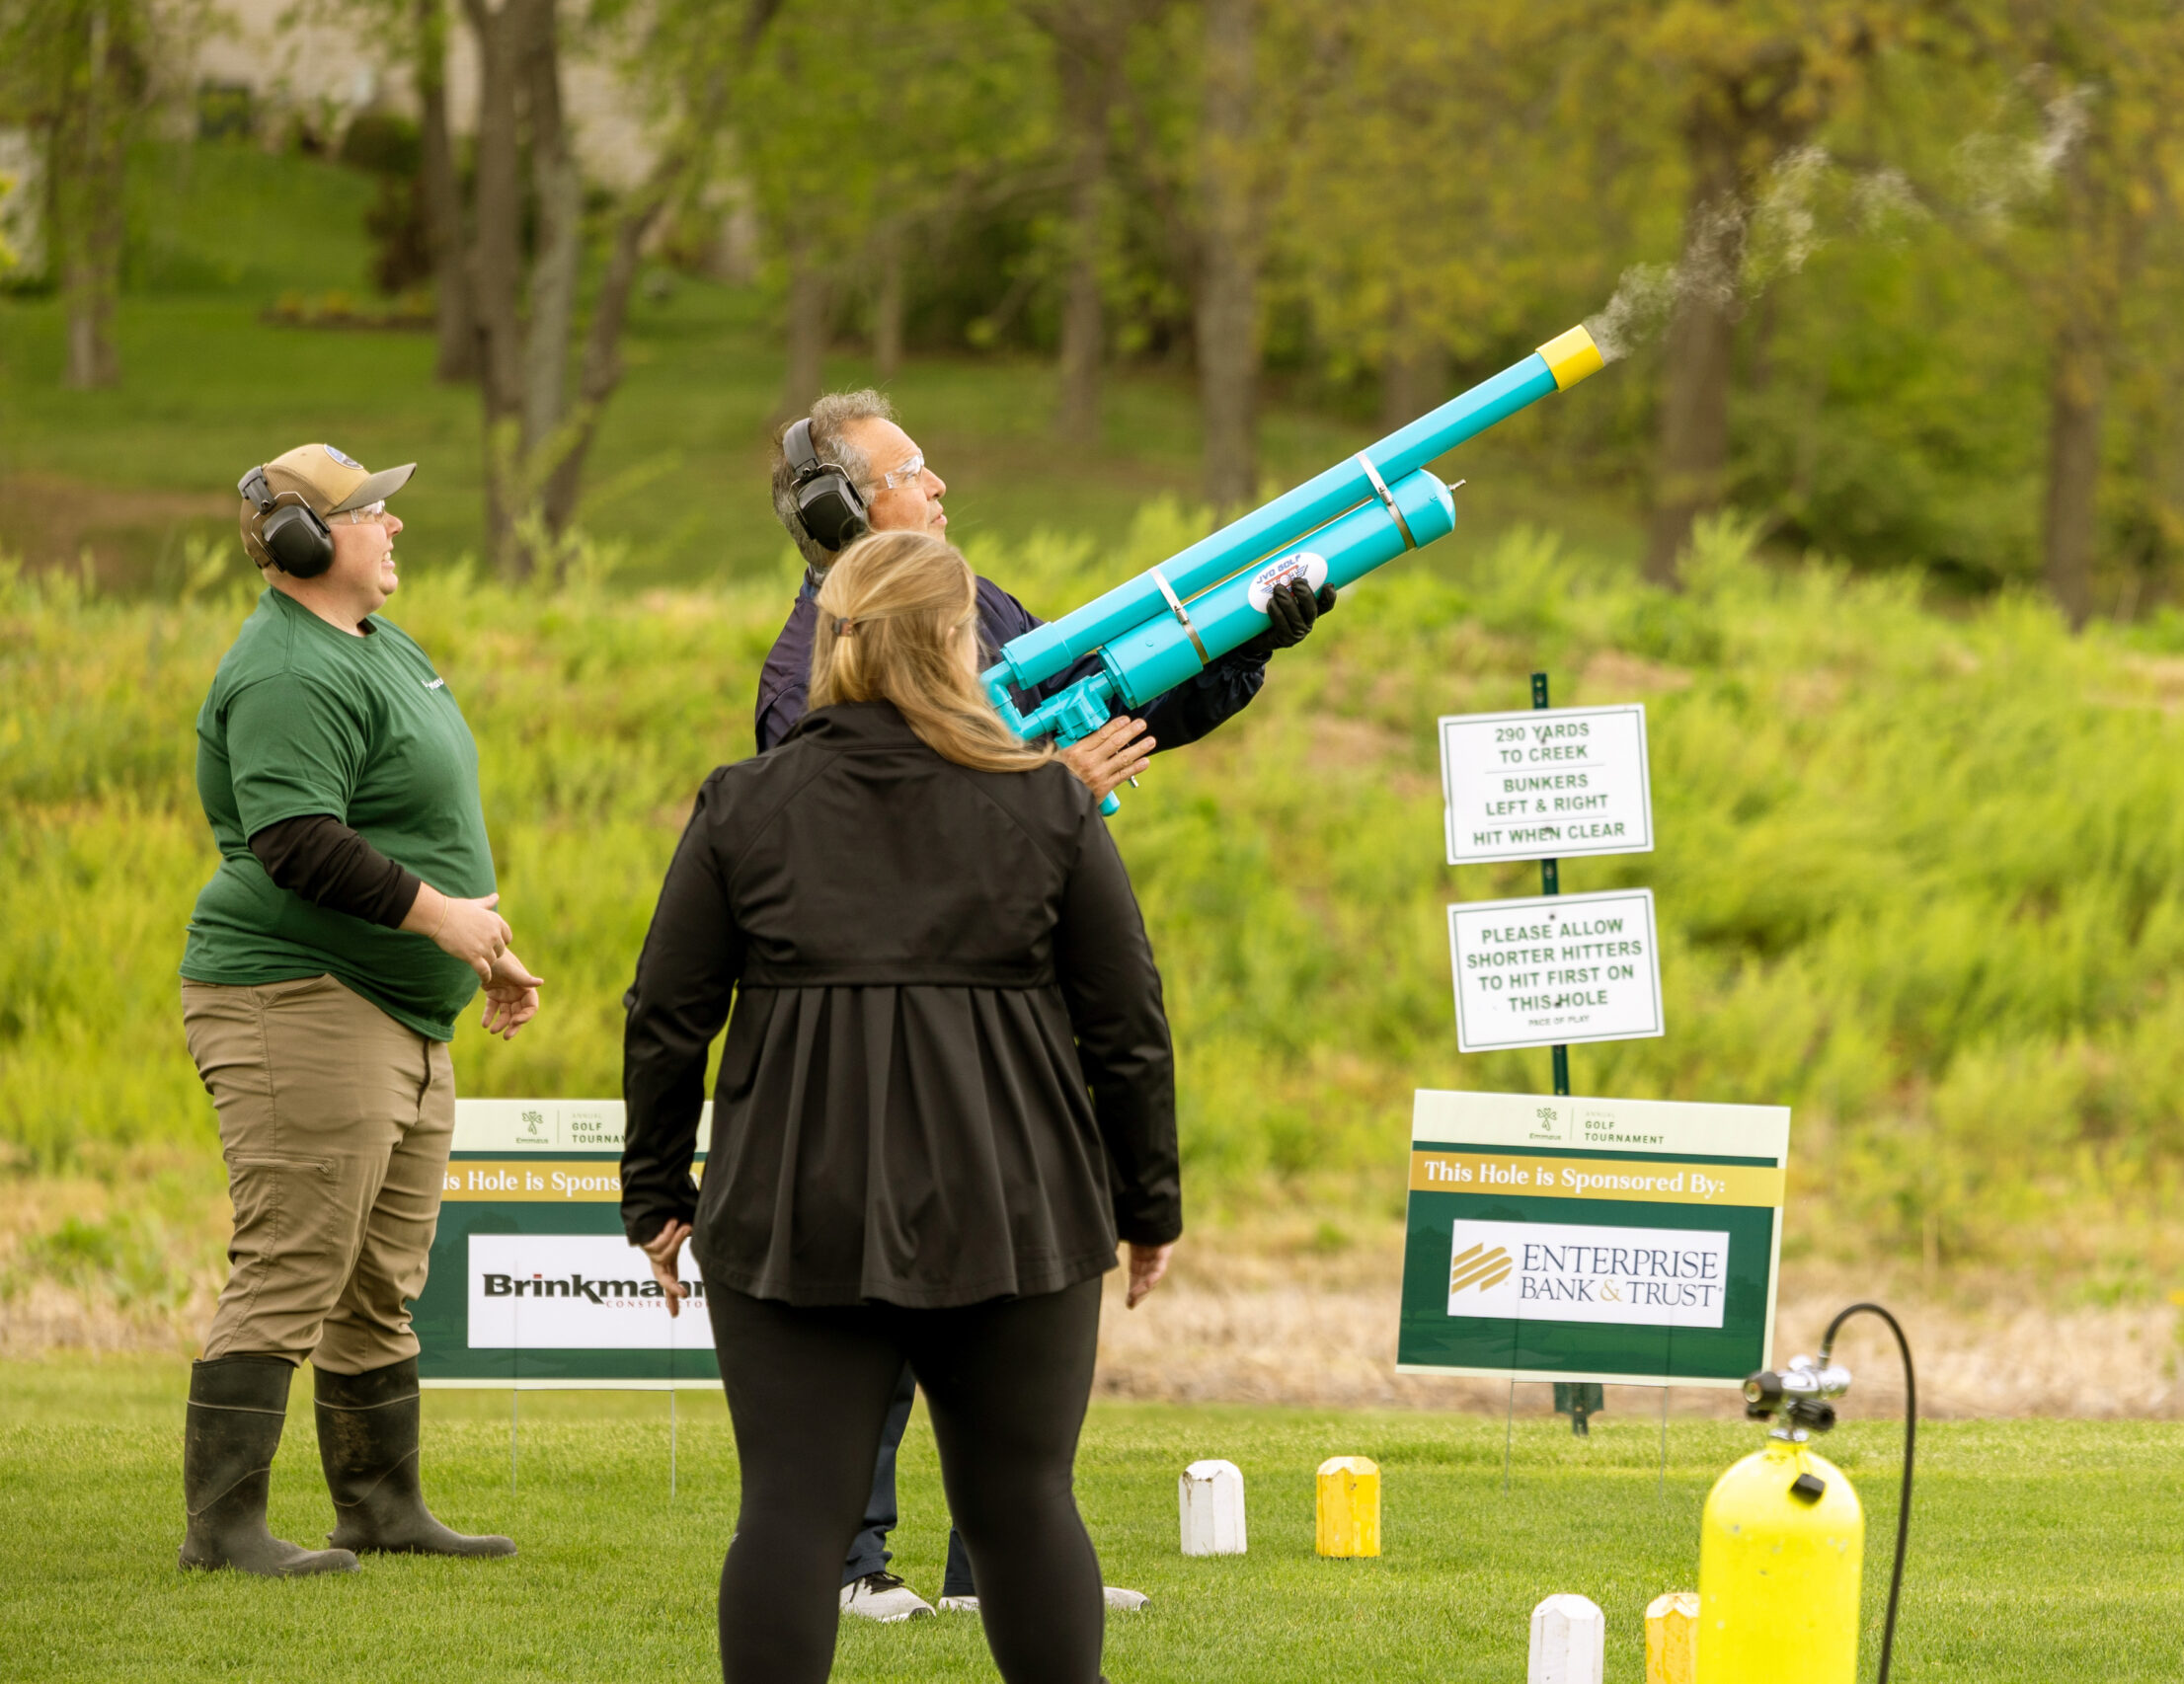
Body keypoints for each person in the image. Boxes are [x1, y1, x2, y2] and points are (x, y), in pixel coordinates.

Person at [758, 390, 1327, 1618]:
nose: (941, 483)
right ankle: (859, 1565)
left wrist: (1254, 636)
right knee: (884, 1290)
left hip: (1014, 1006)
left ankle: (989, 1568)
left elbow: (1135, 702)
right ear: (842, 509)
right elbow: (853, 851)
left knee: (999, 1289)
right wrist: (1040, 792)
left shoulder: (986, 612)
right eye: (913, 471)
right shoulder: (803, 667)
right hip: (891, 1030)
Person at [620, 530, 1179, 1684]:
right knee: (1024, 1502)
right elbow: (1124, 1021)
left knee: (788, 1508)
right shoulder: (1048, 807)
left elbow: (667, 1015)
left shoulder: (743, 804)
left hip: (790, 1207)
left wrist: (657, 1196)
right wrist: (1147, 1205)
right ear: (956, 639)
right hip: (1014, 1201)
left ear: (835, 640)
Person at [178, 443, 542, 1576]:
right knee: (294, 1259)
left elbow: (409, 821)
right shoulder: (288, 670)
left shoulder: (377, 645)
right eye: (372, 511)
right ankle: (224, 1529)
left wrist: (479, 943)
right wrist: (442, 918)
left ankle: (380, 1506)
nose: (394, 526)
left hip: (393, 1004)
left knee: (382, 1275)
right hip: (298, 997)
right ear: (304, 541)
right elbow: (294, 839)